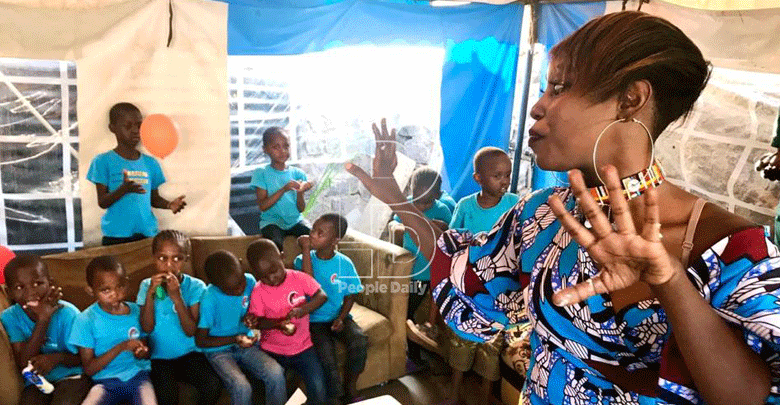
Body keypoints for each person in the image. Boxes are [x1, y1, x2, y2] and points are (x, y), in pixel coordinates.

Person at [345, 11, 780, 404]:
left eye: (558, 88)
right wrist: (395, 197)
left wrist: (668, 281)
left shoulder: (734, 250)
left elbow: (752, 396)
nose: (537, 106)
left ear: (630, 99)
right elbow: (463, 269)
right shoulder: (544, 215)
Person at [137, 230, 221, 405]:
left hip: (190, 354)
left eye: (177, 259)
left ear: (186, 259)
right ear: (153, 258)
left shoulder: (196, 287)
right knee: (166, 395)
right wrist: (150, 295)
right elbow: (146, 328)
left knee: (212, 384)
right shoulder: (146, 286)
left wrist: (176, 297)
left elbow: (191, 330)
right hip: (159, 357)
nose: (169, 266)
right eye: (162, 258)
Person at [194, 250, 287, 405]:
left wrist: (252, 318)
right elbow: (201, 340)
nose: (238, 290)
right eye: (230, 290)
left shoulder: (250, 281)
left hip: (246, 345)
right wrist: (235, 339)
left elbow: (255, 311)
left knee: (276, 372)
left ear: (242, 266)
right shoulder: (209, 298)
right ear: (216, 285)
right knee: (241, 385)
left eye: (240, 284)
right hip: (218, 351)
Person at [87, 102, 186, 246]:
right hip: (116, 236)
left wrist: (169, 205)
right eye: (127, 126)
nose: (135, 131)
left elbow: (154, 198)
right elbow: (102, 202)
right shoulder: (102, 161)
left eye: (139, 125)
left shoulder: (151, 163)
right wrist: (123, 189)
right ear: (112, 128)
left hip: (147, 235)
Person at [244, 239, 328, 405]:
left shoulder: (298, 278)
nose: (272, 278)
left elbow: (322, 296)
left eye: (274, 271)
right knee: (266, 385)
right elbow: (259, 322)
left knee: (318, 387)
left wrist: (304, 309)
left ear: (282, 257)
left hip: (303, 348)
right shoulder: (259, 291)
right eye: (264, 276)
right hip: (272, 350)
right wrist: (277, 324)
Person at [295, 214, 367, 404]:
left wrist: (341, 318)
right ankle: (334, 396)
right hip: (314, 320)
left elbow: (351, 295)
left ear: (336, 240)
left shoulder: (344, 264)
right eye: (312, 230)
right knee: (326, 353)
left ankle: (351, 386)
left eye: (320, 233)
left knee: (359, 340)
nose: (313, 236)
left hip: (338, 315)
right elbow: (308, 283)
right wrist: (305, 250)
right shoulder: (302, 259)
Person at [0, 255, 90, 405]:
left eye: (37, 283)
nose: (31, 292)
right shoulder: (10, 317)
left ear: (50, 283)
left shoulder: (68, 313)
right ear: (9, 293)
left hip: (72, 376)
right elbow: (24, 362)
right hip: (36, 383)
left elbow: (85, 359)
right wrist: (43, 319)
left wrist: (56, 358)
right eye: (19, 287)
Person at [68, 256, 155, 405]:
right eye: (105, 290)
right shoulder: (85, 320)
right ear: (90, 290)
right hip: (104, 382)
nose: (114, 294)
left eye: (119, 286)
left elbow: (146, 350)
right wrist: (121, 347)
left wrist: (142, 352)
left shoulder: (136, 311)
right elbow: (89, 369)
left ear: (126, 283)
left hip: (138, 376)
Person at [390, 167, 451, 356]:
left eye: (426, 202)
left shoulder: (442, 210)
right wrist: (401, 225)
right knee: (404, 309)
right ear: (411, 190)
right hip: (410, 269)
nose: (421, 206)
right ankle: (410, 350)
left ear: (438, 195)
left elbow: (450, 234)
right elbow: (394, 221)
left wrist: (444, 227)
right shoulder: (407, 205)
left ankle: (414, 350)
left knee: (411, 309)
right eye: (417, 200)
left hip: (428, 272)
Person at [251, 127, 313, 252]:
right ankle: (279, 270)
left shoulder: (297, 173)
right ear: (265, 150)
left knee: (313, 237)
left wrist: (300, 192)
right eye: (276, 147)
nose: (282, 151)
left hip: (295, 221)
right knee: (274, 243)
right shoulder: (261, 173)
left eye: (286, 146)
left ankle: (310, 267)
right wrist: (284, 189)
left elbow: (301, 209)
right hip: (271, 222)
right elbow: (263, 206)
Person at [448, 147, 519, 233]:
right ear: (478, 178)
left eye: (507, 175)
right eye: (497, 176)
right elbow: (451, 238)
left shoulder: (515, 202)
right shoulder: (465, 206)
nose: (505, 181)